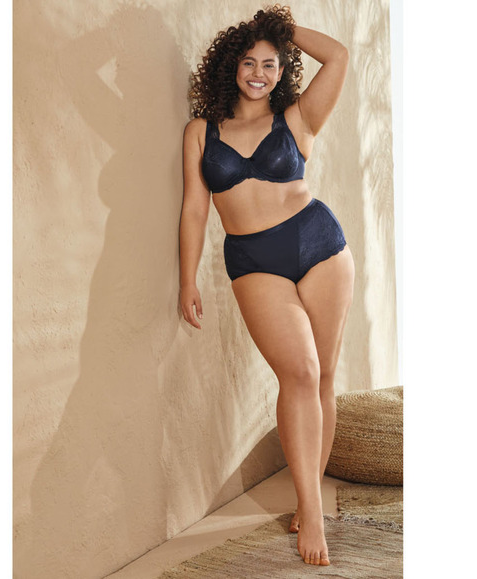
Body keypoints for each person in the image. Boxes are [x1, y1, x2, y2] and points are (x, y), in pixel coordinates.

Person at [178, 4, 354, 567]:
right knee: (298, 372)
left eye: (271, 63)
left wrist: (280, 28)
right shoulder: (201, 132)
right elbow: (194, 210)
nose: (259, 73)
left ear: (283, 71)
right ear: (232, 65)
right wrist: (186, 278)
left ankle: (309, 504)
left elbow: (338, 56)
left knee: (322, 376)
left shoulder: (296, 119)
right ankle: (311, 509)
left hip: (320, 247)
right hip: (254, 259)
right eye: (250, 62)